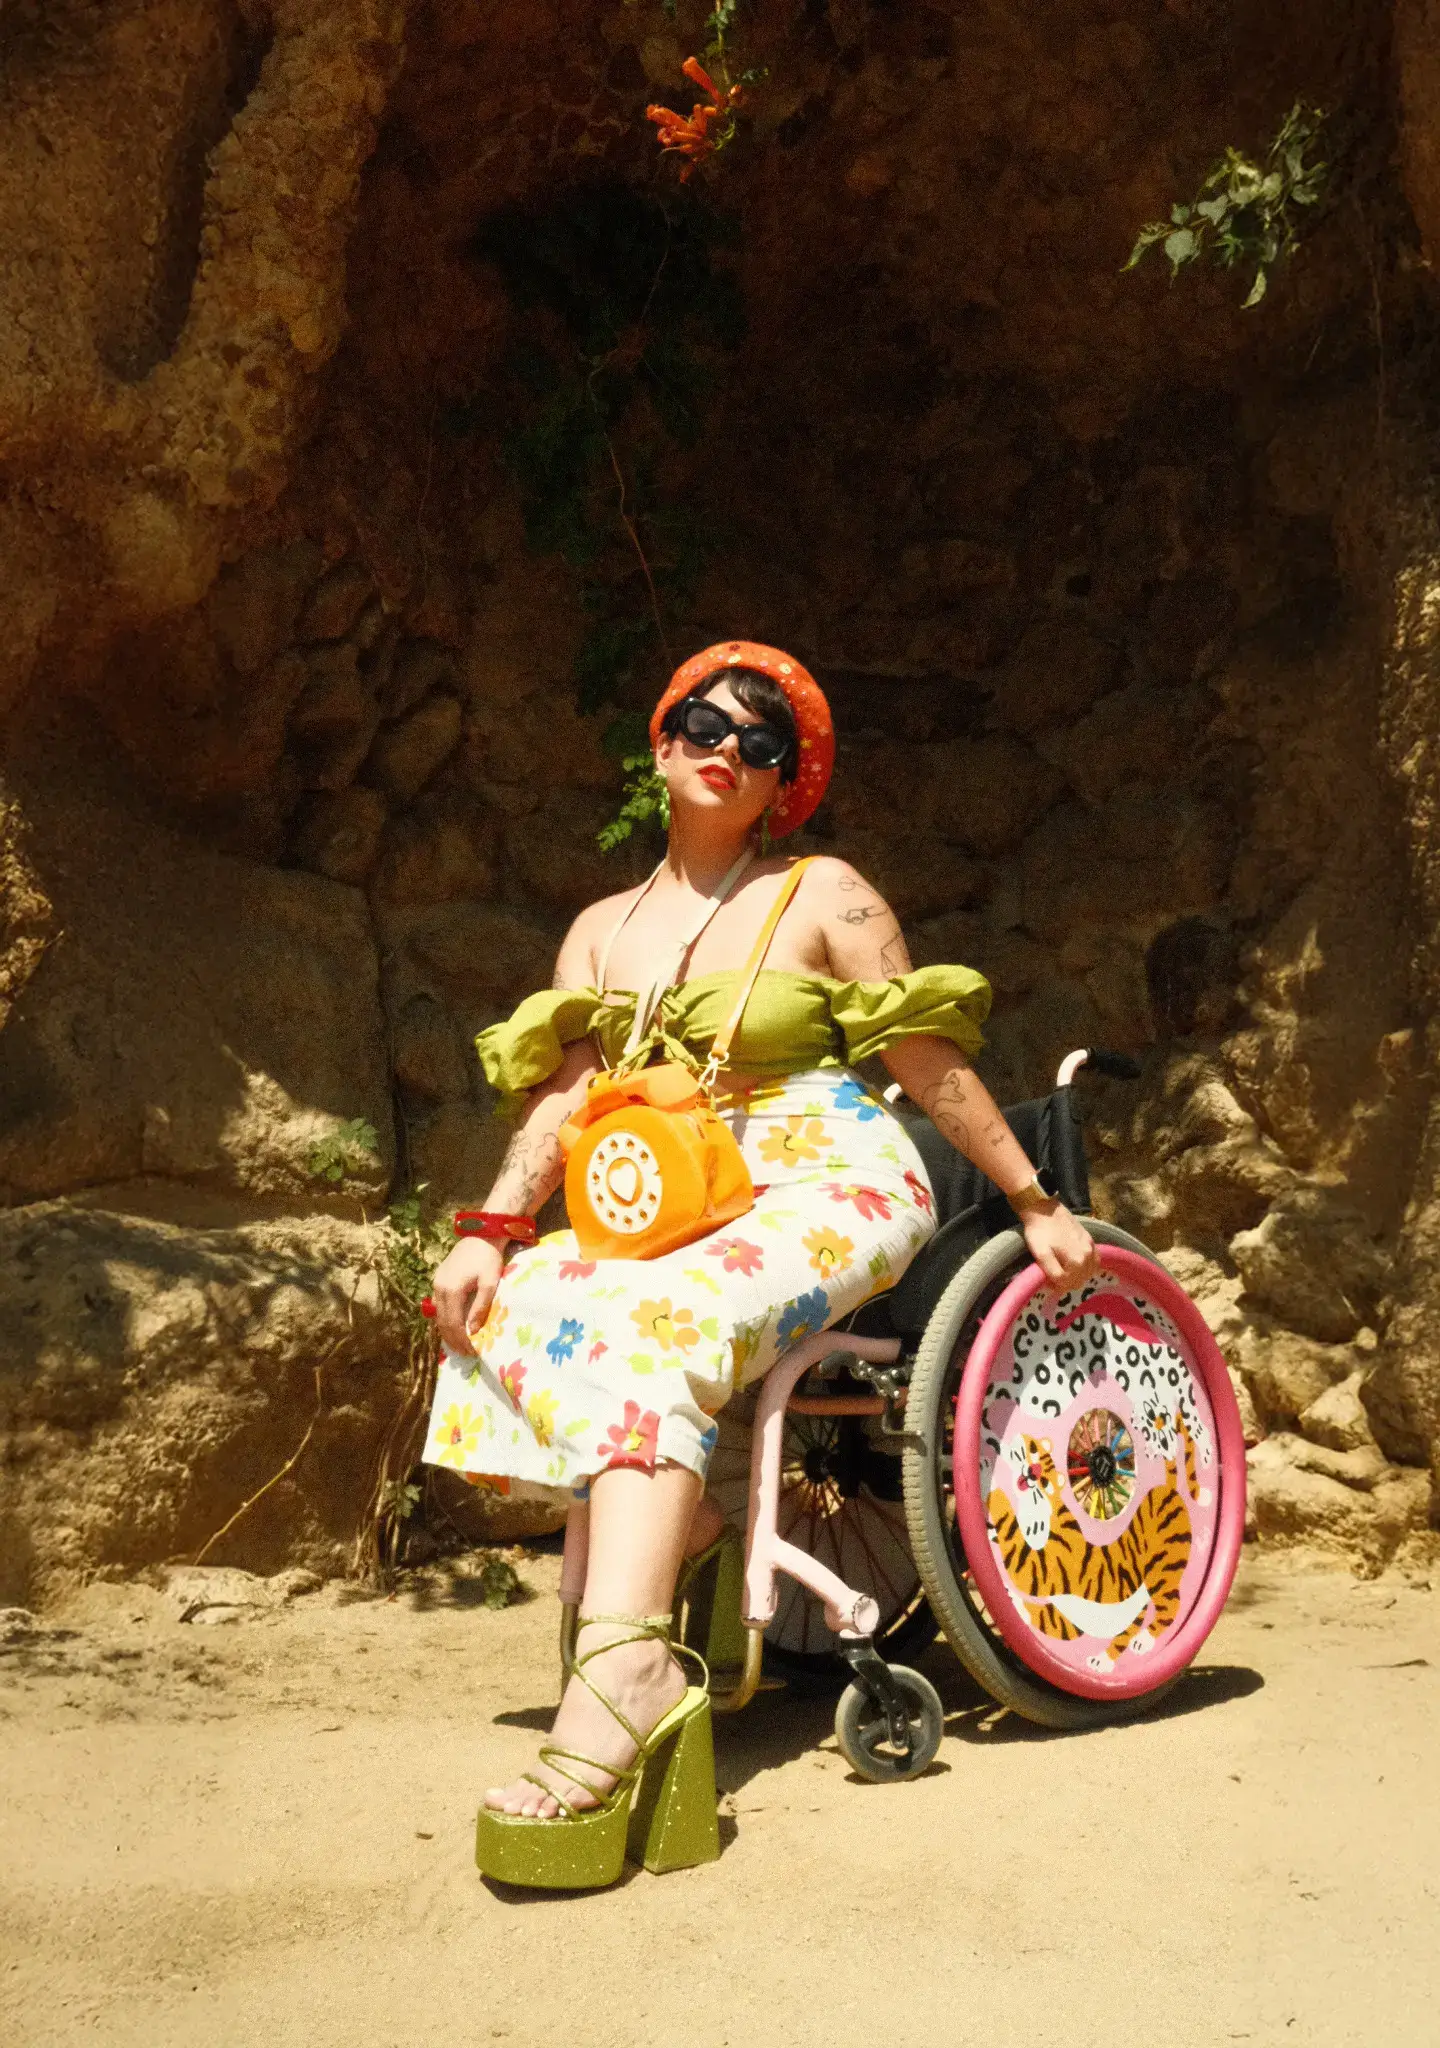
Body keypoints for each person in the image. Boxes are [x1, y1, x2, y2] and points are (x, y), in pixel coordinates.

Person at [424, 639, 1098, 1887]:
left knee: (662, 1318)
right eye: (706, 722)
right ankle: (690, 1525)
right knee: (525, 1296)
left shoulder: (823, 892)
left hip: (830, 1175)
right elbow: (564, 1104)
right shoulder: (599, 930)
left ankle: (626, 1666)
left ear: (787, 780)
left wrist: (1031, 1194)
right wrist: (489, 1228)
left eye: (762, 740)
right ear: (662, 741)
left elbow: (924, 1058)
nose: (729, 747)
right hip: (668, 1191)